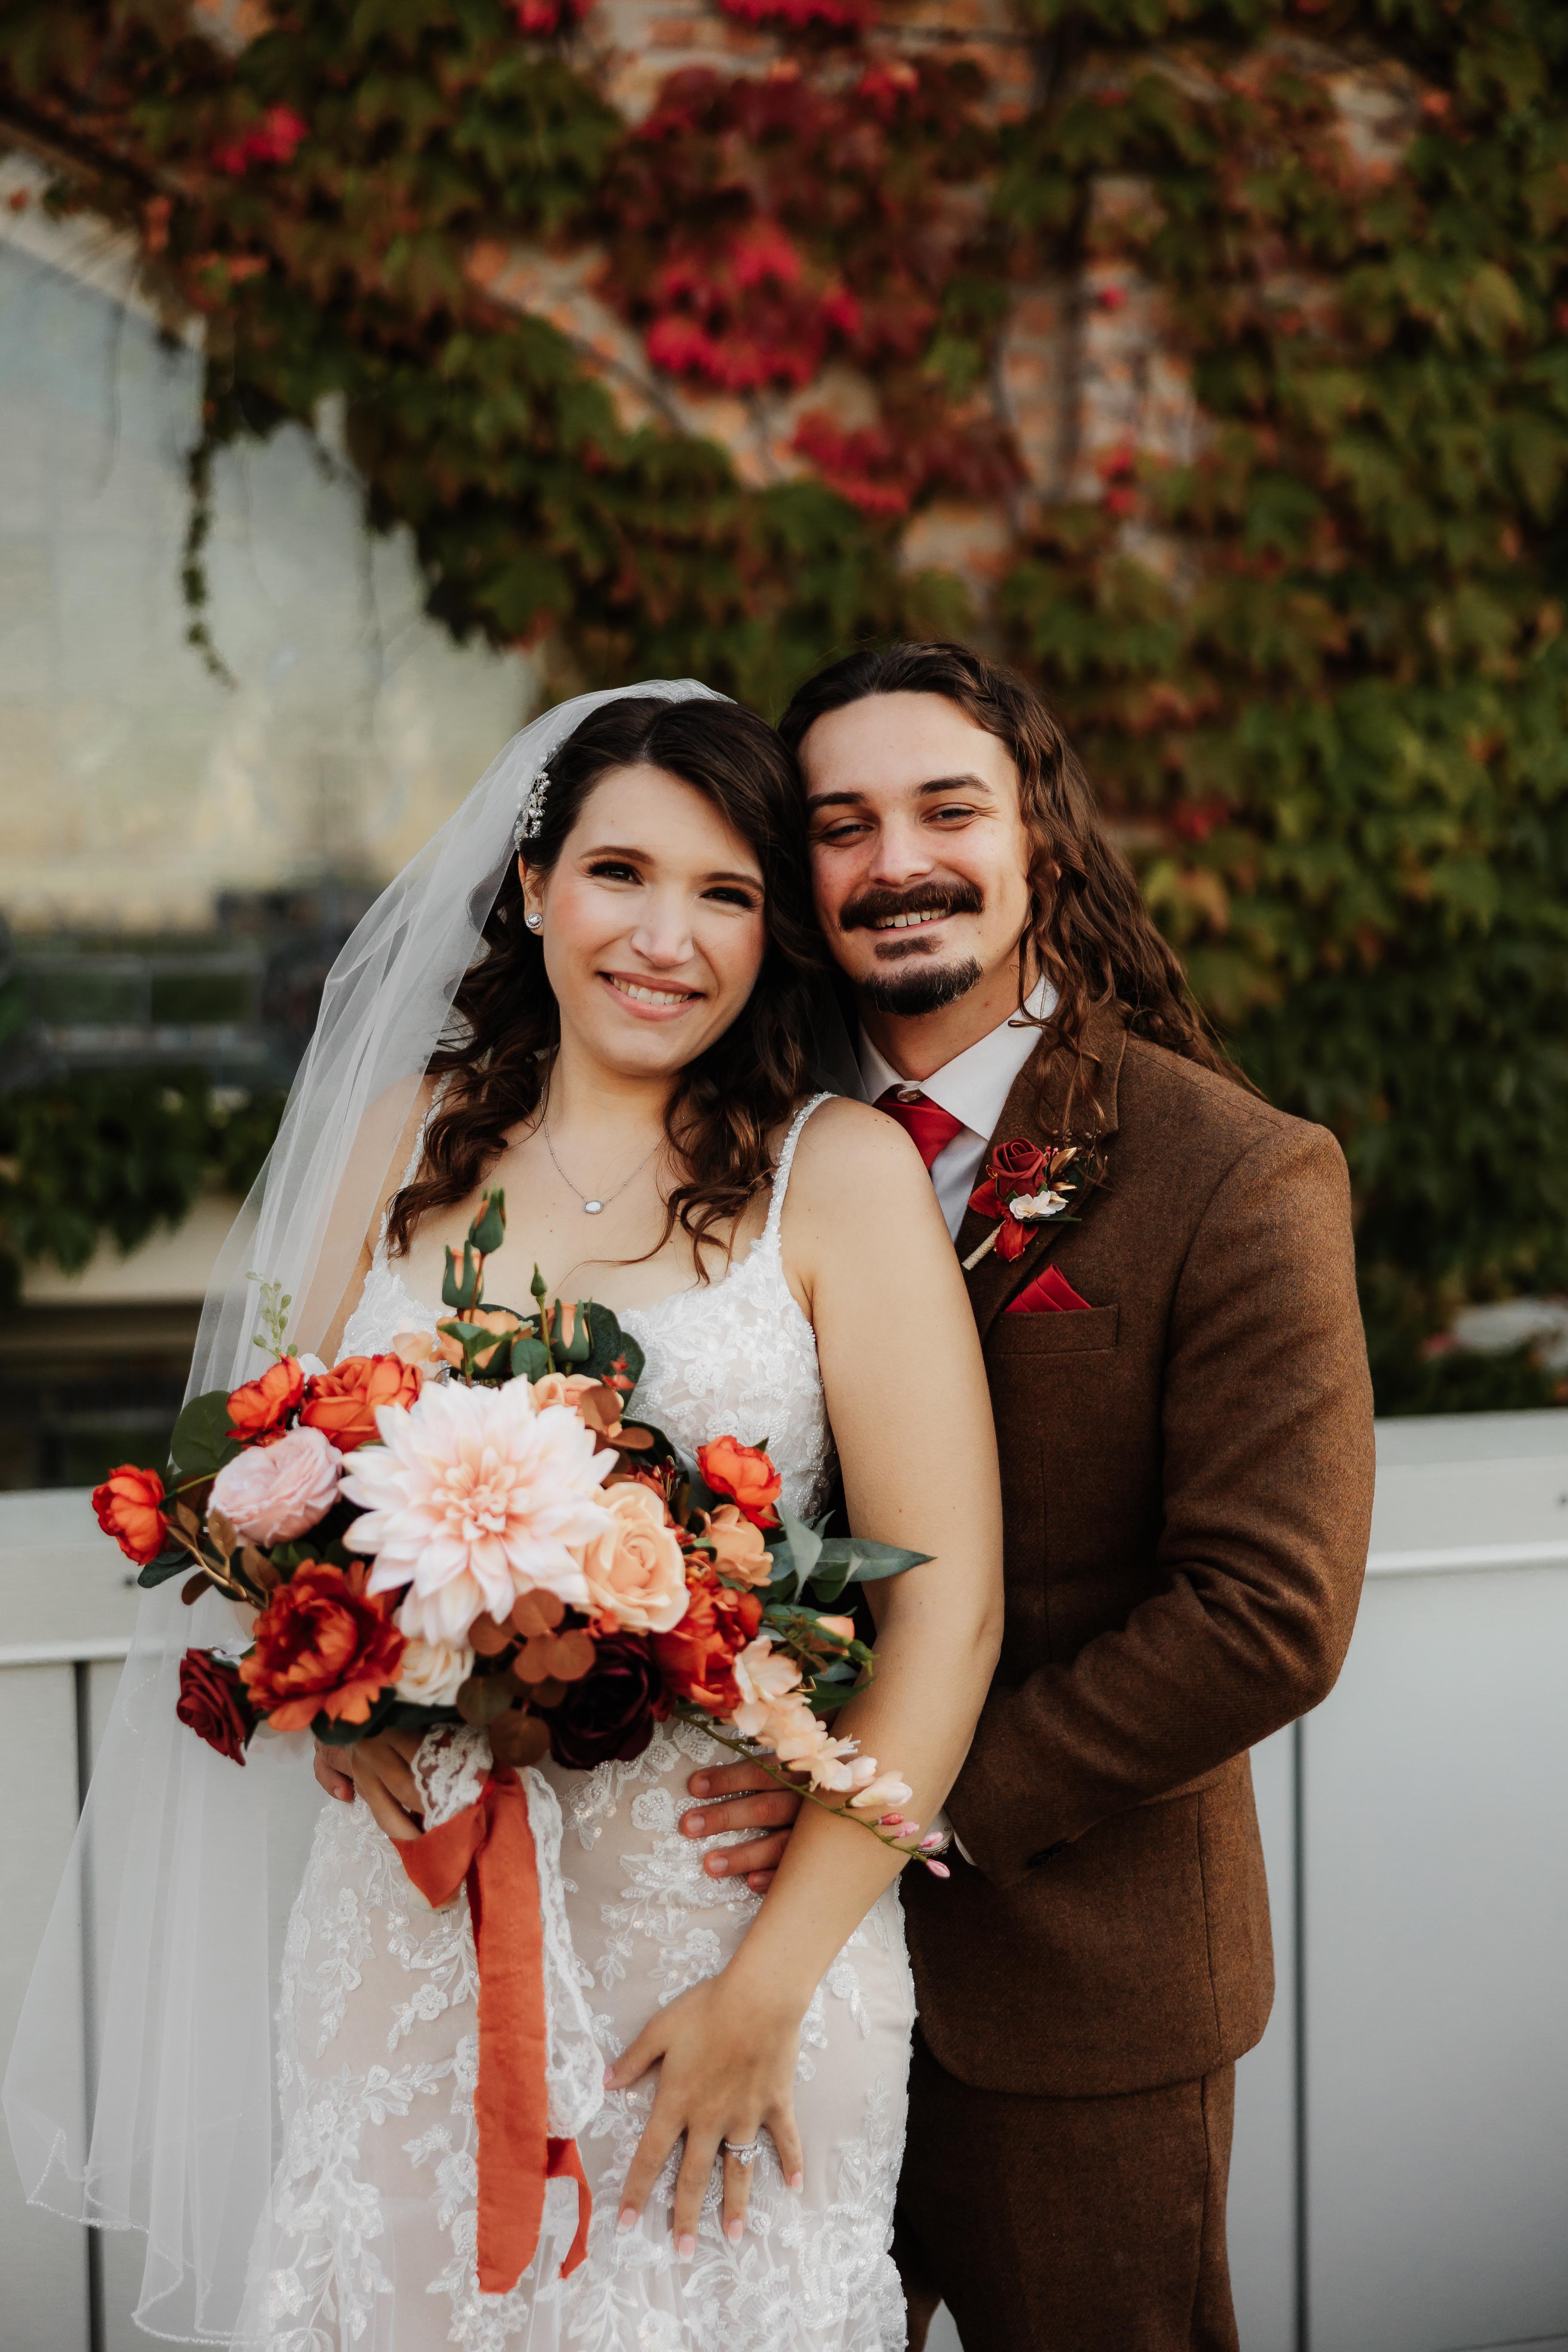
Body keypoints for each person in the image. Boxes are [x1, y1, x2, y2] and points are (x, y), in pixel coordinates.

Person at [3, 681, 1001, 2352]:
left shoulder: (838, 1174)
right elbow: (253, 1486)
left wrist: (771, 1988)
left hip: (727, 1932)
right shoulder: (400, 1139)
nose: (664, 938)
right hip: (411, 1932)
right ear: (534, 884)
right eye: (620, 873)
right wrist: (330, 1695)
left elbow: (951, 1615)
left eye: (726, 894)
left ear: (772, 935)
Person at [677, 643, 1376, 2352]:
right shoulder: (727, 1147)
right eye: (843, 824)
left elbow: (1267, 1619)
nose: (897, 861)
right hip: (732, 1957)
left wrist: (894, 1812)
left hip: (1071, 1984)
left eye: (949, 810)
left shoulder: (1233, 1169)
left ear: (1040, 838)